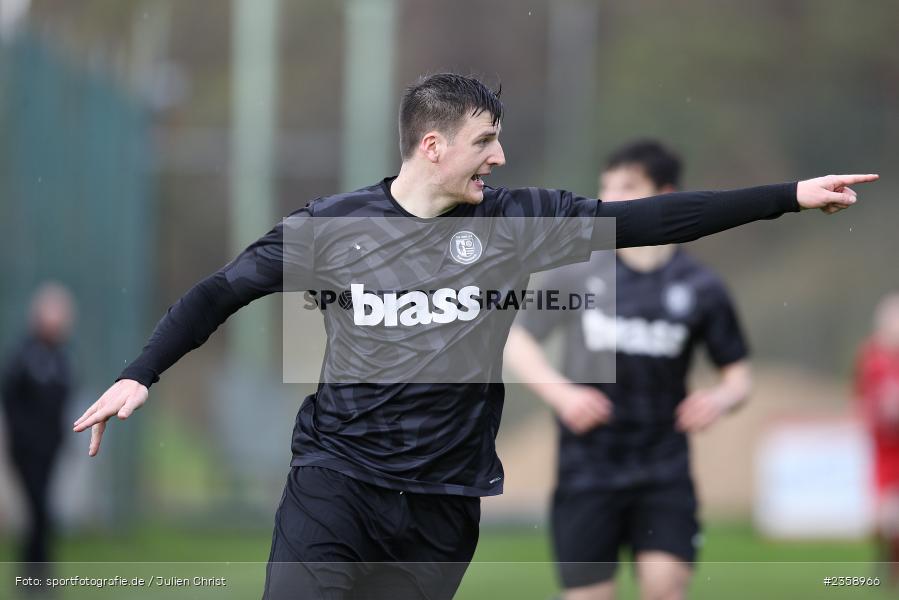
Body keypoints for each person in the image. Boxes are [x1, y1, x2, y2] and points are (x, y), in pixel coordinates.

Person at [72, 73, 876, 599]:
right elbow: (220, 292)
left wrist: (789, 196)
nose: (500, 154)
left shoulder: (518, 222)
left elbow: (646, 220)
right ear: (434, 145)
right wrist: (142, 372)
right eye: (485, 140)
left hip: (443, 503)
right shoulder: (331, 229)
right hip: (337, 480)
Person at [505, 140, 753, 600]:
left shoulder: (701, 288)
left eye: (626, 188)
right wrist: (562, 394)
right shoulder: (578, 271)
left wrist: (719, 398)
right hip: (587, 471)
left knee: (664, 588)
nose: (610, 201)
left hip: (663, 471)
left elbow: (739, 377)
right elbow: (518, 340)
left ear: (666, 194)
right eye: (605, 188)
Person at [2, 283, 76, 581]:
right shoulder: (24, 356)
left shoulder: (61, 358)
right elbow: (10, 399)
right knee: (38, 509)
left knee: (41, 510)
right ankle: (36, 573)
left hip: (50, 449)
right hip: (26, 449)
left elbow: (63, 400)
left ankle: (37, 572)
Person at [854, 293, 899, 586]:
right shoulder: (872, 358)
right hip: (885, 448)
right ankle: (886, 560)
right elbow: (867, 401)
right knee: (883, 520)